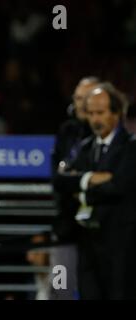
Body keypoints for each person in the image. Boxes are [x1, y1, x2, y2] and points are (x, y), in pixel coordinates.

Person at [54, 82, 136, 299]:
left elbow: (119, 187)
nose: (95, 120)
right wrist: (90, 179)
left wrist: (79, 187)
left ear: (116, 113)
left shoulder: (131, 147)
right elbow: (61, 181)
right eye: (90, 113)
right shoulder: (85, 147)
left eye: (100, 113)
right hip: (88, 244)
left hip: (120, 247)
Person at [49, 76, 100, 299]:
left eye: (85, 98)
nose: (80, 103)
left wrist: (74, 177)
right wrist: (84, 179)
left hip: (98, 232)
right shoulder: (66, 131)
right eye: (77, 98)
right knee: (61, 290)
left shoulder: (104, 134)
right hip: (66, 231)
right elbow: (58, 179)